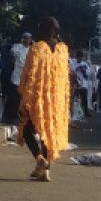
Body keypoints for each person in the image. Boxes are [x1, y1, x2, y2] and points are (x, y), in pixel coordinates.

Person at [17, 17, 71, 182]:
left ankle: (40, 159)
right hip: (57, 101)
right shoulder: (63, 50)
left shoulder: (36, 48)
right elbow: (65, 78)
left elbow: (28, 74)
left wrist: (23, 96)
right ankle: (45, 171)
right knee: (49, 133)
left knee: (27, 129)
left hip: (37, 98)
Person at [3, 31, 32, 122]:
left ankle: (20, 114)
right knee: (13, 96)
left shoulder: (31, 49)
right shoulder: (17, 47)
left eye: (28, 38)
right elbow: (13, 53)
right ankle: (10, 115)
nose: (27, 40)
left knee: (23, 98)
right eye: (25, 38)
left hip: (27, 77)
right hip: (17, 75)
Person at [73, 53, 93, 118]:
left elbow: (89, 73)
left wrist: (83, 70)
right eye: (78, 57)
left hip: (83, 84)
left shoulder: (84, 64)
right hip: (75, 84)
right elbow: (72, 70)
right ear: (76, 57)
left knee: (84, 99)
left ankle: (86, 112)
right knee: (74, 99)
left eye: (80, 58)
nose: (79, 59)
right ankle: (74, 112)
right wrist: (76, 68)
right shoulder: (73, 63)